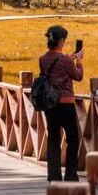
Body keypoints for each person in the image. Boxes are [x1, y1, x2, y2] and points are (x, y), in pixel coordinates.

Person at [39, 24, 83, 182]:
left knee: (53, 139)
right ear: (61, 41)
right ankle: (71, 175)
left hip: (50, 104)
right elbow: (78, 76)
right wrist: (79, 61)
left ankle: (54, 176)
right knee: (72, 139)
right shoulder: (65, 61)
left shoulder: (43, 59)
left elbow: (55, 68)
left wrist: (68, 58)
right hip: (66, 104)